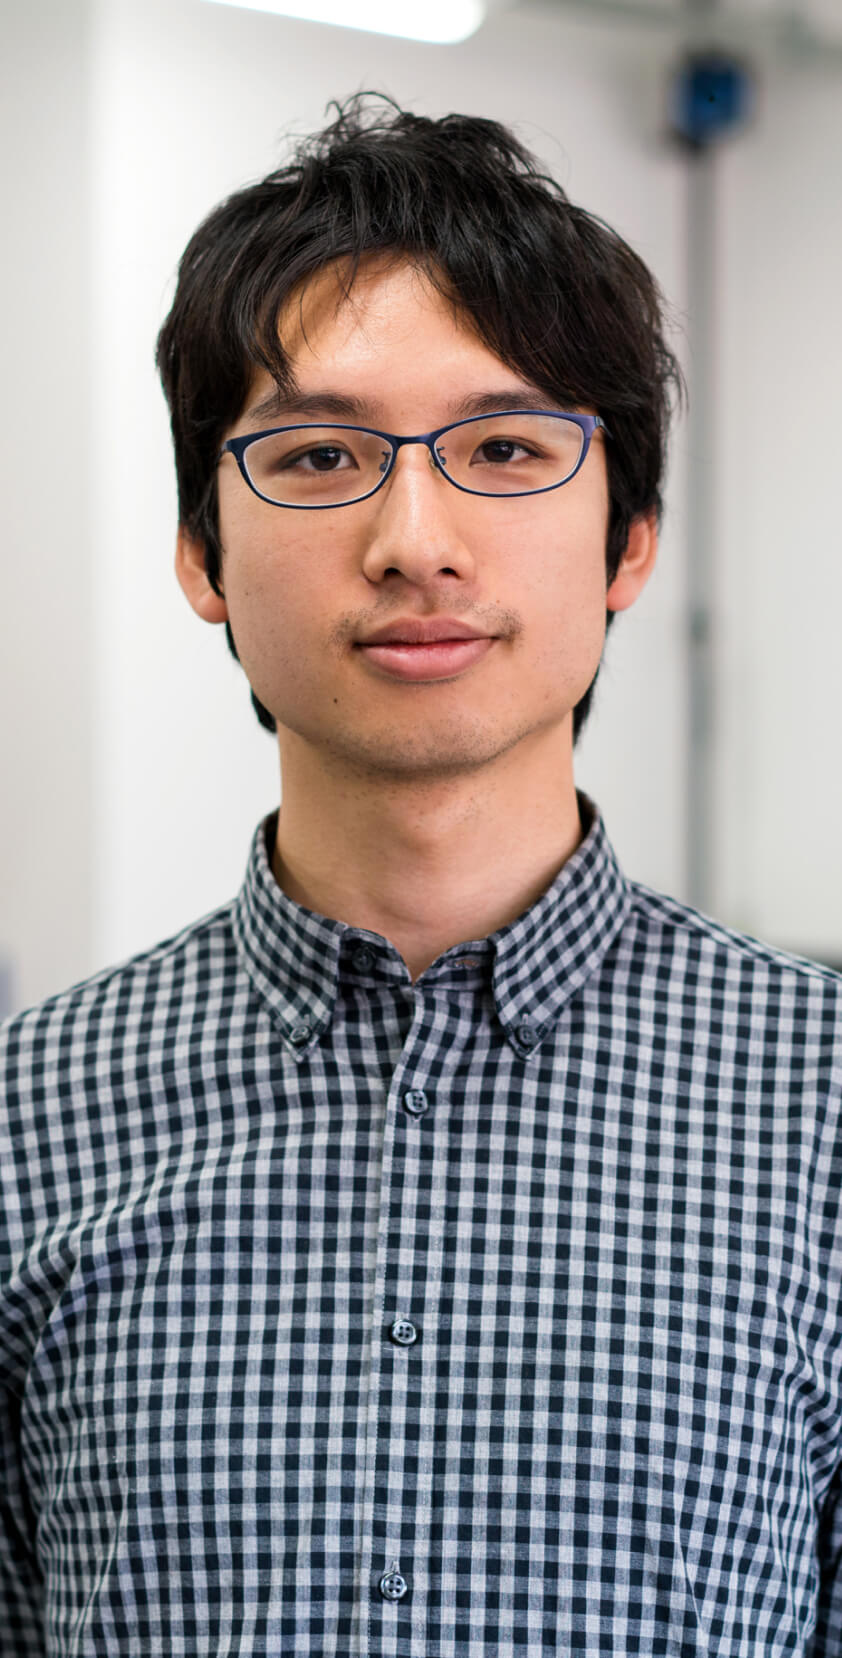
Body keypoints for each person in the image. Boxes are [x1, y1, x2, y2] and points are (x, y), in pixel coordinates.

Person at [1, 90, 840, 1657]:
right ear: (201, 553)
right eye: (317, 453)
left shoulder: (820, 1102)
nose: (412, 536)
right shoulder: (26, 1114)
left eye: (506, 446)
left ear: (627, 540)